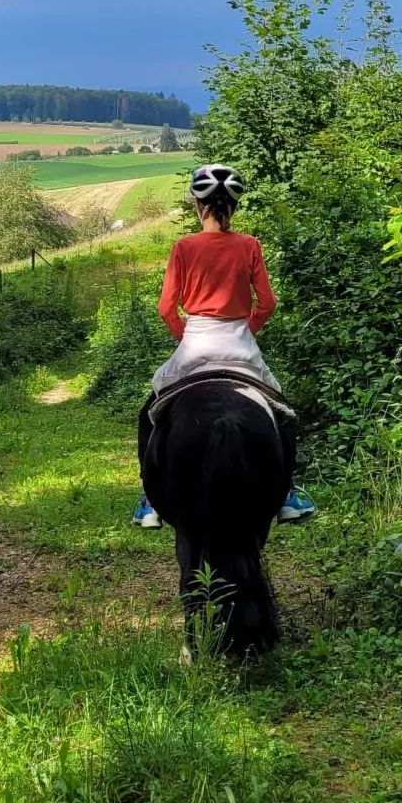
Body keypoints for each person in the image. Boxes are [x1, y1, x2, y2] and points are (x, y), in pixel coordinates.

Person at [133, 163, 315, 529]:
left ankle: (150, 501)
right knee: (280, 409)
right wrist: (247, 330)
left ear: (198, 206)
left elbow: (166, 307)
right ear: (233, 207)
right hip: (239, 342)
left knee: (152, 407)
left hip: (195, 339)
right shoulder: (249, 245)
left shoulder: (183, 247)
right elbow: (267, 303)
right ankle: (286, 495)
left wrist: (184, 334)